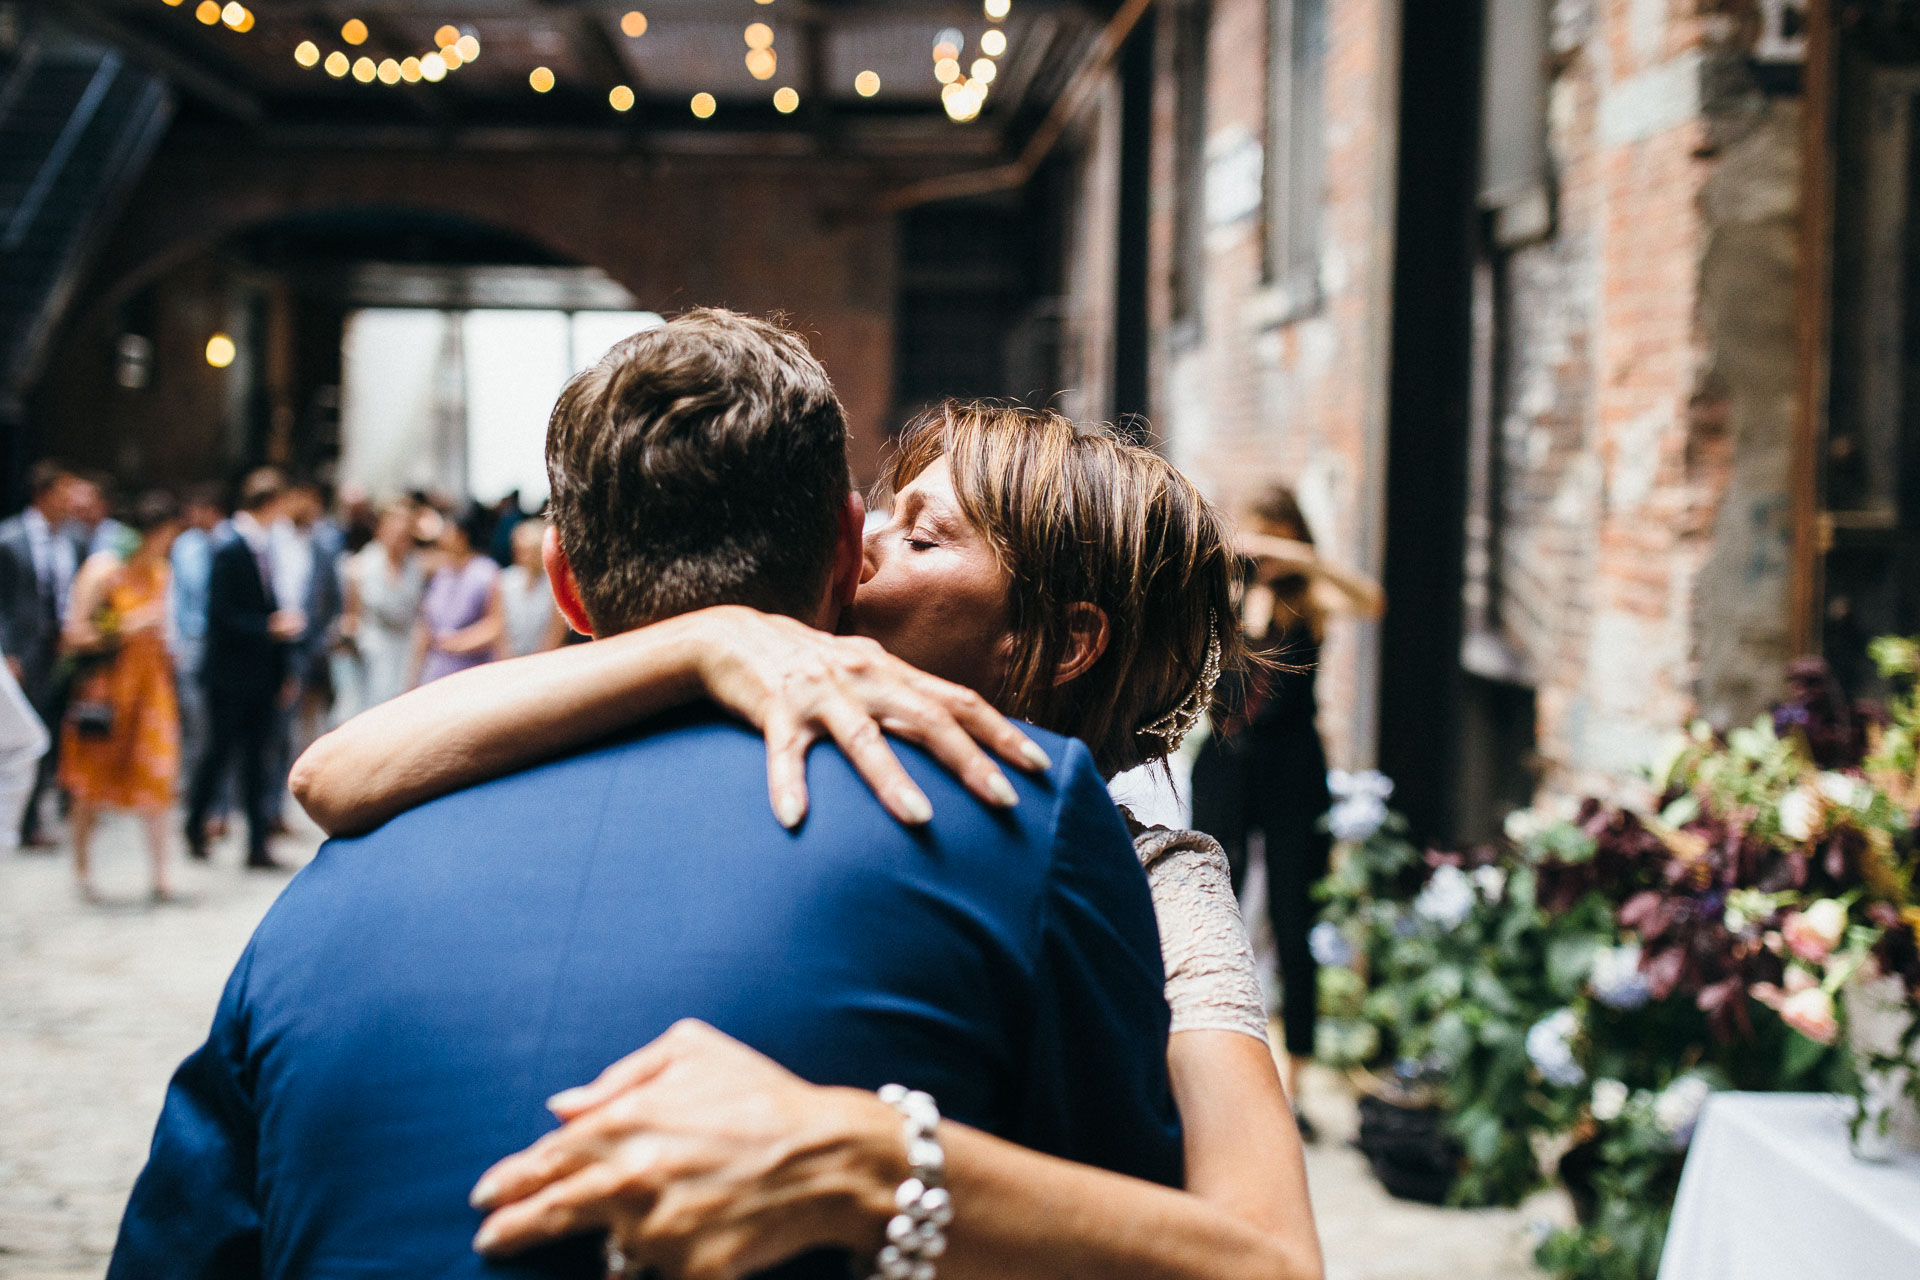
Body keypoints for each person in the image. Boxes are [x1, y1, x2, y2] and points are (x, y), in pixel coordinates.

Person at [110, 310, 1187, 1280]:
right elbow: (1128, 1228)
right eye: (886, 529)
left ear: (564, 582)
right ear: (843, 556)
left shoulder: (337, 879)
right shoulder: (1020, 817)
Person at [292, 400, 1323, 1279]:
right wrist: (702, 640)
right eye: (883, 510)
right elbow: (336, 773)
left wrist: (880, 1162)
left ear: (1057, 640)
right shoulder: (761, 724)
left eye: (923, 537)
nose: (867, 542)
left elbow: (1271, 1256)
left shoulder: (1158, 874)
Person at [1191, 485, 1384, 1129]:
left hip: (1293, 768)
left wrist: (1293, 557)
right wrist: (1240, 561)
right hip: (1225, 759)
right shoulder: (1222, 594)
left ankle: (1294, 1085)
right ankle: (1210, 1072)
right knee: (1213, 903)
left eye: (1273, 537)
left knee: (1295, 915)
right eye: (1255, 538)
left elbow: (1372, 601)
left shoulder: (1311, 603)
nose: (1262, 556)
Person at [60, 491, 185, 902]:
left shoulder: (161, 574)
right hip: (107, 692)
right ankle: (80, 868)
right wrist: (128, 626)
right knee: (91, 783)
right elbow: (75, 635)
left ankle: (160, 875)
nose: (169, 545)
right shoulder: (104, 571)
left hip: (151, 691)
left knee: (159, 775)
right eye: (166, 536)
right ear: (150, 533)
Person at [183, 468, 304, 870]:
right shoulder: (229, 549)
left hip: (261, 675)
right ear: (269, 503)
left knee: (258, 758)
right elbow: (219, 616)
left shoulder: (265, 549)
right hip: (230, 675)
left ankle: (256, 845)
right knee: (218, 753)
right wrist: (268, 628)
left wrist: (283, 668)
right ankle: (194, 825)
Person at [0, 461, 81, 847]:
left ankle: (37, 816)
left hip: (62, 652)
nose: (71, 503)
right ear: (44, 494)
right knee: (22, 736)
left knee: (52, 733)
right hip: (24, 653)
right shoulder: (10, 539)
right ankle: (23, 821)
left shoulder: (73, 540)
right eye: (64, 494)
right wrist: (8, 652)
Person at [169, 484, 227, 840]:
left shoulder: (228, 543)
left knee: (218, 733)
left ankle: (218, 807)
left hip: (219, 649)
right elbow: (176, 597)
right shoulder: (185, 547)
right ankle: (196, 803)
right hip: (191, 645)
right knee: (195, 730)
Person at [338, 499, 424, 712]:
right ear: (381, 530)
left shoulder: (418, 566)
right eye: (395, 531)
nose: (399, 539)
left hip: (407, 649)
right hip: (373, 652)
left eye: (405, 534)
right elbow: (351, 618)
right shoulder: (358, 567)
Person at [411, 503, 502, 685]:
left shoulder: (487, 573)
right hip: (437, 671)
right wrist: (414, 675)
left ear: (462, 536)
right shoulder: (441, 575)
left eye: (448, 531)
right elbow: (426, 625)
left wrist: (458, 643)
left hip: (472, 671)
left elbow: (496, 624)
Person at [499, 517, 564, 658]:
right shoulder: (504, 580)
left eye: (529, 550)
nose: (523, 556)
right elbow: (500, 628)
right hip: (510, 662)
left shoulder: (555, 583)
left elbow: (555, 632)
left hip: (546, 662)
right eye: (519, 550)